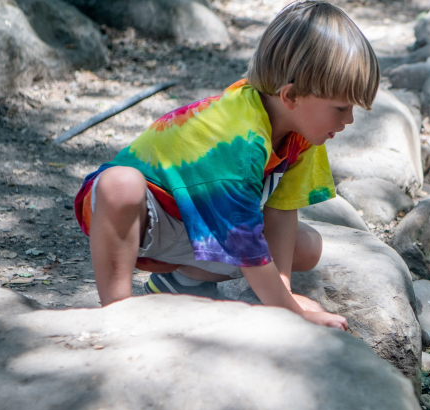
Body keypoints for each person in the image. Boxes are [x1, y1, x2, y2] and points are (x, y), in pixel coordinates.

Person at [73, 1, 379, 330]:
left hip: (200, 224)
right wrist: (294, 312)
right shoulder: (239, 139)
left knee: (307, 247)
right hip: (147, 217)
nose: (349, 119)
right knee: (120, 184)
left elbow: (281, 210)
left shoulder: (302, 133)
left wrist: (283, 293)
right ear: (290, 97)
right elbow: (244, 242)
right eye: (341, 108)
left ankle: (181, 282)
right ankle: (116, 311)